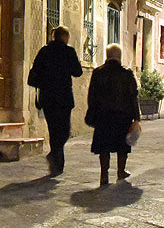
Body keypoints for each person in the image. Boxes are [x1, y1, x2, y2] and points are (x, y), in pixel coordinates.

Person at [27, 25, 83, 176]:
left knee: (54, 129)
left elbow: (34, 73)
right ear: (65, 37)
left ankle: (56, 159)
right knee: (64, 130)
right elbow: (78, 72)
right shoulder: (69, 52)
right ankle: (56, 159)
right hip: (63, 97)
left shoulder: (44, 51)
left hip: (48, 97)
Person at [84, 43, 141, 186]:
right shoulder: (127, 73)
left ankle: (104, 174)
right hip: (123, 116)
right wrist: (136, 117)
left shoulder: (98, 72)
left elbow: (92, 95)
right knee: (123, 145)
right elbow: (133, 96)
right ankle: (121, 171)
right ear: (119, 57)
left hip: (103, 115)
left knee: (104, 146)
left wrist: (93, 112)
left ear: (107, 56)